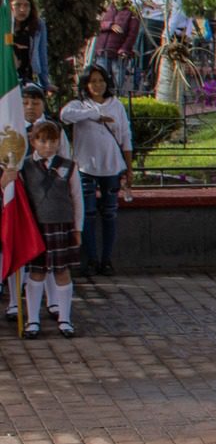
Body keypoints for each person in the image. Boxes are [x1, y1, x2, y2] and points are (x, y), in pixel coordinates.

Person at [5, 121, 83, 336]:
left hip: (62, 226)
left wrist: (78, 228)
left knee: (62, 272)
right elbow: (14, 193)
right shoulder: (26, 166)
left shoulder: (69, 165)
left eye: (53, 141)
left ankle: (65, 319)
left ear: (59, 142)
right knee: (36, 273)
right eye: (43, 140)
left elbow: (77, 198)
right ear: (33, 142)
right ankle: (32, 320)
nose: (48, 145)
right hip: (36, 228)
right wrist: (6, 179)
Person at [58, 64, 132, 277]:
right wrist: (93, 115)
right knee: (87, 214)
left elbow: (126, 136)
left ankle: (106, 259)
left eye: (101, 81)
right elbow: (65, 115)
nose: (98, 85)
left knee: (109, 214)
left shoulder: (116, 105)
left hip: (111, 167)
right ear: (86, 85)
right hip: (86, 167)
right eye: (93, 82)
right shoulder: (79, 105)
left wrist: (129, 167)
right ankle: (90, 258)